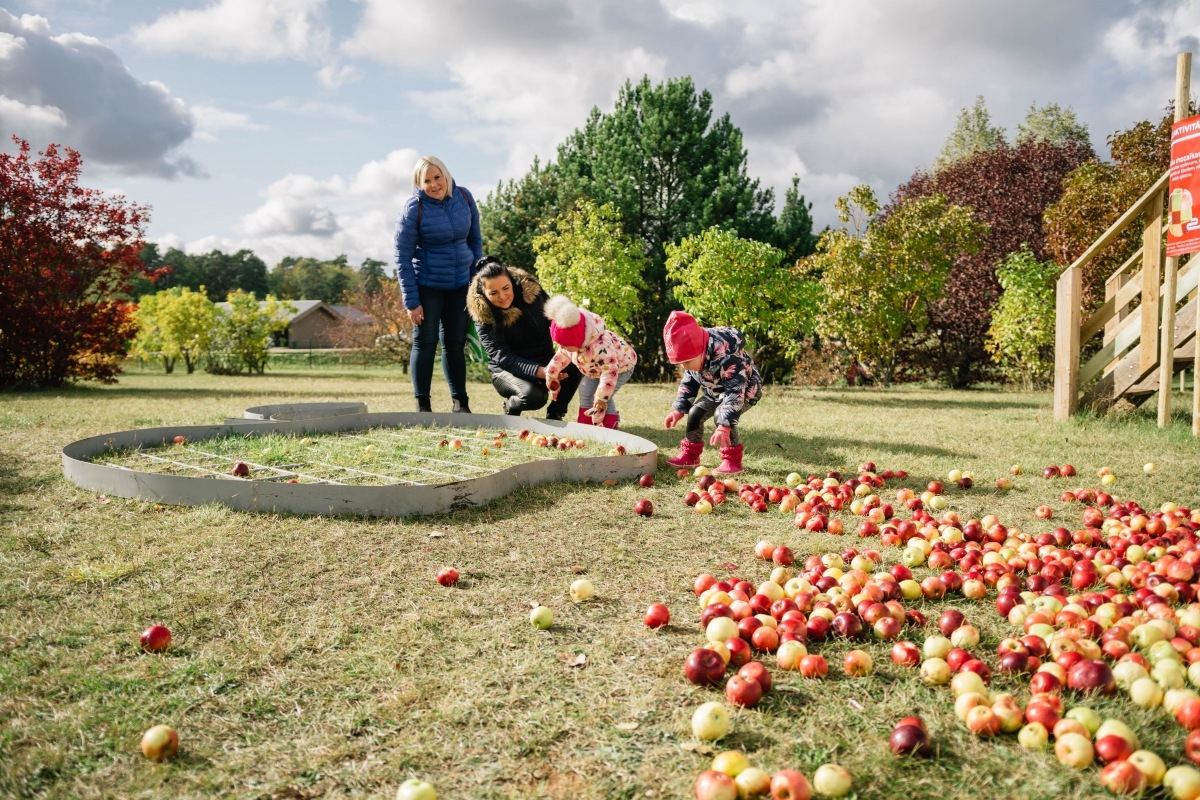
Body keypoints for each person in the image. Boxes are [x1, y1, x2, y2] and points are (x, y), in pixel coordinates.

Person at [393, 155, 482, 413]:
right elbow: (402, 257)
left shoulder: (464, 198)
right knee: (426, 342)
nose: (433, 184)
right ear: (418, 183)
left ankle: (460, 403)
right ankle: (423, 405)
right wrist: (412, 301)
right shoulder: (414, 208)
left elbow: (475, 241)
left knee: (454, 344)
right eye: (427, 181)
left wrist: (476, 281)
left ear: (445, 175)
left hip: (460, 286)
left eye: (437, 177)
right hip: (427, 285)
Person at [467, 257, 583, 420]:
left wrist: (576, 340)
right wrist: (542, 372)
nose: (502, 296)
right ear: (483, 294)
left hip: (544, 358)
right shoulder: (482, 316)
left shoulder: (532, 293)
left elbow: (556, 320)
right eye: (493, 293)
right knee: (534, 396)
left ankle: (556, 413)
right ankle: (511, 407)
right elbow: (504, 357)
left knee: (577, 359)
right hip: (506, 369)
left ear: (512, 283)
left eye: (506, 288)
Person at [662, 310, 762, 475]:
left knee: (722, 417)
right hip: (715, 391)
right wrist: (679, 409)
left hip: (744, 391)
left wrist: (724, 426)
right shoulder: (694, 357)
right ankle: (690, 455)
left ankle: (732, 460)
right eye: (680, 363)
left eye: (687, 362)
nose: (684, 367)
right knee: (695, 413)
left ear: (701, 350)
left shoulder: (728, 357)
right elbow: (690, 381)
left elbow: (735, 392)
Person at [543, 295, 637, 429]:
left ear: (577, 341)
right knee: (585, 391)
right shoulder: (570, 345)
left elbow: (610, 372)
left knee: (603, 397)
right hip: (595, 369)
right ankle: (586, 425)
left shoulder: (601, 346)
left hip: (621, 367)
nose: (562, 349)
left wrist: (602, 397)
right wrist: (551, 374)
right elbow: (560, 357)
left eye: (565, 345)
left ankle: (610, 425)